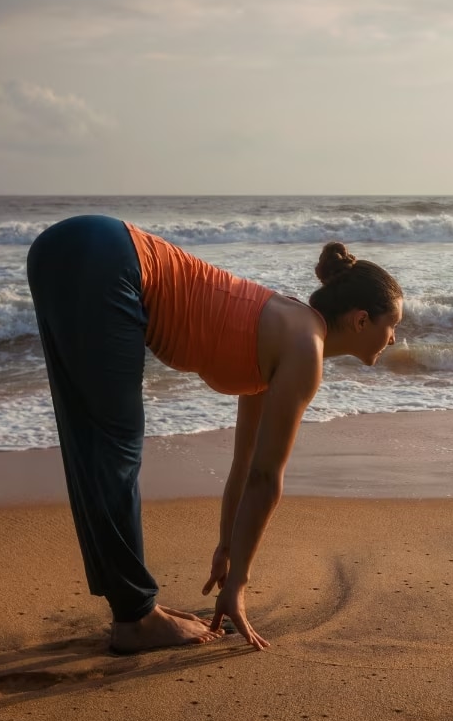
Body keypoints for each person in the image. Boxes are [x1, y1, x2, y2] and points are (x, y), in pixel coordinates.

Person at [25, 214, 403, 653]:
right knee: (115, 449)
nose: (393, 339)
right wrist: (238, 586)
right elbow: (266, 478)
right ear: (361, 321)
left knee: (91, 444)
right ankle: (136, 617)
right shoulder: (305, 349)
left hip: (69, 248)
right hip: (110, 259)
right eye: (391, 325)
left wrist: (228, 548)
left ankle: (132, 608)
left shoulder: (287, 328)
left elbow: (245, 465)